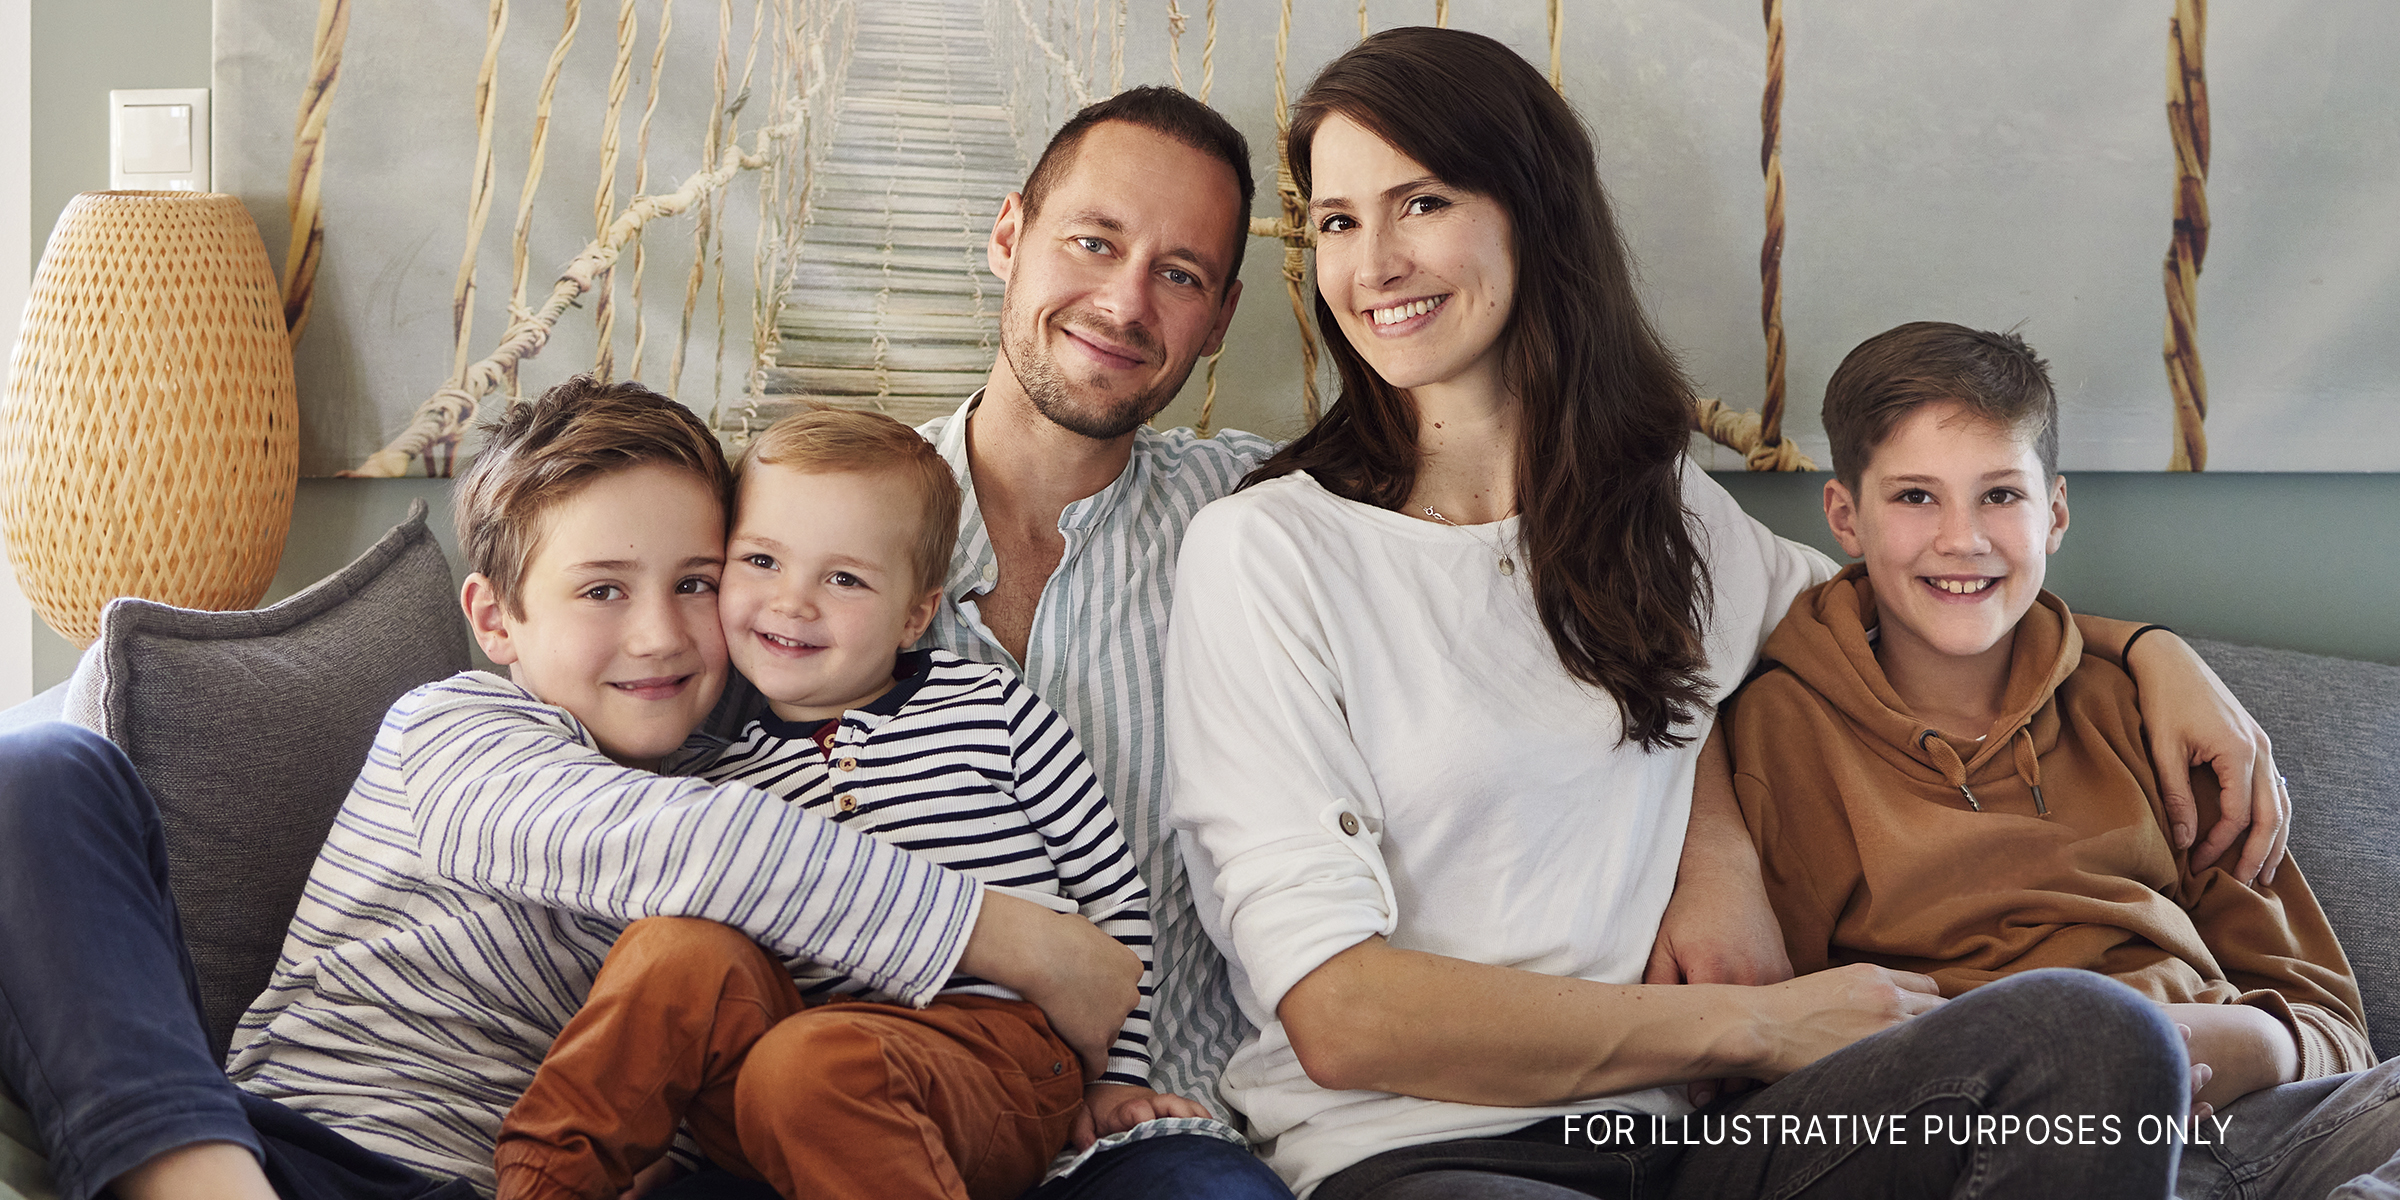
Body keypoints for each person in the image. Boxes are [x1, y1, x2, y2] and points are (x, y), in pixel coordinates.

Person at [1161, 28, 2265, 1200]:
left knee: (2096, 1039)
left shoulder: (1661, 512)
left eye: (1420, 203)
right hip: (1426, 1147)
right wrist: (1754, 1026)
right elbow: (1343, 1016)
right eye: (1337, 221)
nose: (1373, 261)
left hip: (1703, 1149)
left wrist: (2149, 652)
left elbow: (1908, 595)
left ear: (1533, 213)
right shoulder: (1269, 551)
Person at [0, 377, 1141, 1200]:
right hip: (292, 1148)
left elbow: (725, 1073)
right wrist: (1025, 945)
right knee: (40, 770)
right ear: (497, 619)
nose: (659, 633)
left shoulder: (762, 775)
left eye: (696, 581)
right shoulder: (454, 730)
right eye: (602, 590)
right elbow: (684, 847)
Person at [1729, 320, 2400, 1198]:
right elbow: (1782, 1055)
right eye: (1916, 497)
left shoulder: (2143, 711)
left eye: (2001, 495)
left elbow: (2333, 1026)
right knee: (2087, 1038)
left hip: (2247, 1113)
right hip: (1998, 1136)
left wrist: (2234, 1044)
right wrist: (2107, 1058)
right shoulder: (1782, 729)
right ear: (1845, 517)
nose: (1963, 539)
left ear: (2056, 514)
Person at [493, 408, 1209, 1200]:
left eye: (843, 578)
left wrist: (1120, 1077)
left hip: (994, 1059)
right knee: (678, 950)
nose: (792, 603)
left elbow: (1112, 893)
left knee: (813, 1062)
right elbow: (698, 1018)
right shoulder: (711, 784)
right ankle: (550, 1183)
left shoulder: (989, 709)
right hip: (783, 1085)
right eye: (761, 560)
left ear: (915, 613)